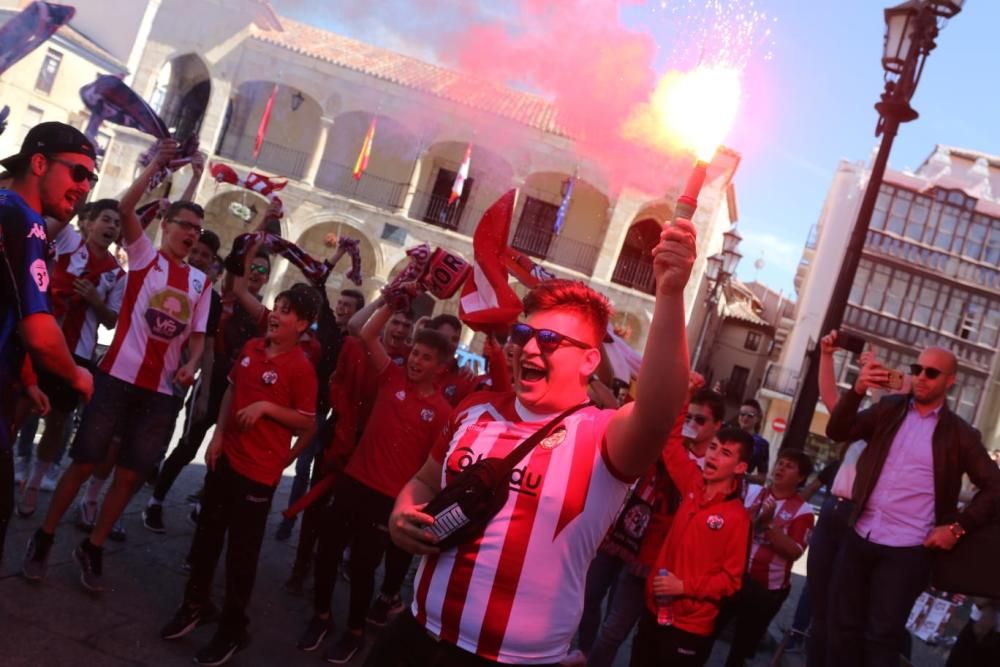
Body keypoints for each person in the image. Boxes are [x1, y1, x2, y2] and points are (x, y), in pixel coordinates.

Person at [366, 216, 695, 666]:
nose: (529, 349)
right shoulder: (475, 410)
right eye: (524, 334)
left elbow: (658, 410)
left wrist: (671, 294)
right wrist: (404, 510)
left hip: (516, 659)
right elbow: (426, 479)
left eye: (551, 340)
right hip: (419, 634)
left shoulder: (602, 435)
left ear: (589, 361)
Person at [22, 139, 211, 592]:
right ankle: (44, 537)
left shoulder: (202, 280)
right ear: (165, 226)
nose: (190, 233)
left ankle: (94, 546)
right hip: (117, 379)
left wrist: (193, 364)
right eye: (184, 224)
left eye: (197, 230)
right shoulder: (145, 258)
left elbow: (200, 336)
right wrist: (157, 167)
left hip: (162, 394)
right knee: (85, 460)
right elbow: (126, 206)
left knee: (129, 474)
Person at [160, 288, 319, 666]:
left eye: (286, 311)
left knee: (241, 556)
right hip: (226, 460)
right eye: (276, 308)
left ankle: (233, 630)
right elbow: (231, 389)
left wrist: (269, 414)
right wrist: (217, 435)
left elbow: (307, 423)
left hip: (259, 476)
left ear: (302, 325)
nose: (276, 315)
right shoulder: (251, 348)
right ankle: (195, 605)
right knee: (207, 537)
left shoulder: (301, 368)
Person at [824, 346, 1000, 667]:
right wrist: (858, 388)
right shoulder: (888, 410)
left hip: (908, 550)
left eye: (931, 373)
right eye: (917, 369)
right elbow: (837, 431)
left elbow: (995, 486)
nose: (921, 377)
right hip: (861, 534)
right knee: (841, 629)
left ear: (950, 381)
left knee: (881, 637)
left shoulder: (961, 434)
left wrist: (958, 527)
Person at [298, 302, 453, 663]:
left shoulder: (443, 414)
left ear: (441, 368)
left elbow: (432, 472)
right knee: (326, 552)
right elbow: (361, 330)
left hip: (388, 499)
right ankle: (321, 616)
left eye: (426, 358)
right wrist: (393, 297)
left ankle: (354, 631)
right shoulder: (392, 376)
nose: (415, 361)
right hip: (354, 481)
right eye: (414, 353)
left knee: (363, 567)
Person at [1, 122, 96, 566]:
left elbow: (10, 312)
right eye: (78, 173)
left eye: (91, 179)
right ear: (39, 163)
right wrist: (76, 373)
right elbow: (38, 329)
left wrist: (26, 378)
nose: (84, 187)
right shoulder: (25, 220)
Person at [573, 386, 723, 667]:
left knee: (617, 627)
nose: (691, 423)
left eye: (700, 420)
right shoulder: (664, 439)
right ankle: (584, 650)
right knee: (588, 595)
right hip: (620, 532)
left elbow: (673, 454)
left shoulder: (703, 468)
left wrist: (682, 398)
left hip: (652, 555)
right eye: (688, 416)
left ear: (717, 426)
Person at [282, 298, 414, 594]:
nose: (401, 328)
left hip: (373, 445)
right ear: (386, 323)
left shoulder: (409, 364)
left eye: (407, 325)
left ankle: (329, 564)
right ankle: (301, 564)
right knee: (316, 502)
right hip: (340, 432)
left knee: (347, 509)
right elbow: (337, 383)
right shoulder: (356, 346)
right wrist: (345, 428)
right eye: (396, 322)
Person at [16, 199, 124, 518]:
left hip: (77, 354)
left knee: (57, 421)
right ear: (89, 223)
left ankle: (35, 483)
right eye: (106, 220)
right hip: (41, 339)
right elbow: (57, 221)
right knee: (20, 407)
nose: (111, 227)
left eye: (117, 224)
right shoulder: (69, 243)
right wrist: (75, 198)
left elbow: (111, 320)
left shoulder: (117, 274)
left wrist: (94, 299)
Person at [141, 230, 248, 533]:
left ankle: (203, 505)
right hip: (190, 377)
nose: (200, 259)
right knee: (186, 445)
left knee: (220, 450)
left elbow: (210, 344)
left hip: (231, 389)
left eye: (260, 272)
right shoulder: (214, 295)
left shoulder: (254, 310)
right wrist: (202, 393)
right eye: (196, 253)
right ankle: (155, 501)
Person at [631, 427, 753, 667]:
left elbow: (731, 581)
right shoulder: (692, 483)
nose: (714, 456)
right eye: (713, 447)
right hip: (654, 611)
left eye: (725, 453)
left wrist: (683, 587)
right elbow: (670, 443)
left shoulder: (738, 518)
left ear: (740, 468)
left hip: (690, 627)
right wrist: (685, 394)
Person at [276, 285, 364, 541]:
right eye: (341, 303)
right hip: (313, 409)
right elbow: (319, 284)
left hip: (335, 416)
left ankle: (304, 526)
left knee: (316, 473)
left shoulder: (358, 343)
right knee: (301, 466)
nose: (341, 308)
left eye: (349, 306)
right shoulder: (327, 328)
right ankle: (289, 520)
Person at [715, 448, 815, 667]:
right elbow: (732, 529)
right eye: (780, 462)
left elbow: (795, 551)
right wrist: (756, 521)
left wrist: (769, 525)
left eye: (789, 466)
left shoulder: (804, 512)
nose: (781, 467)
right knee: (708, 631)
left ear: (800, 478)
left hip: (765, 590)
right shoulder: (752, 492)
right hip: (732, 576)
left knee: (741, 649)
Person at [736, 399, 769, 484]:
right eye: (742, 414)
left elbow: (762, 477)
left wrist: (744, 476)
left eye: (750, 415)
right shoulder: (727, 434)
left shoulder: (761, 444)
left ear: (757, 419)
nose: (745, 418)